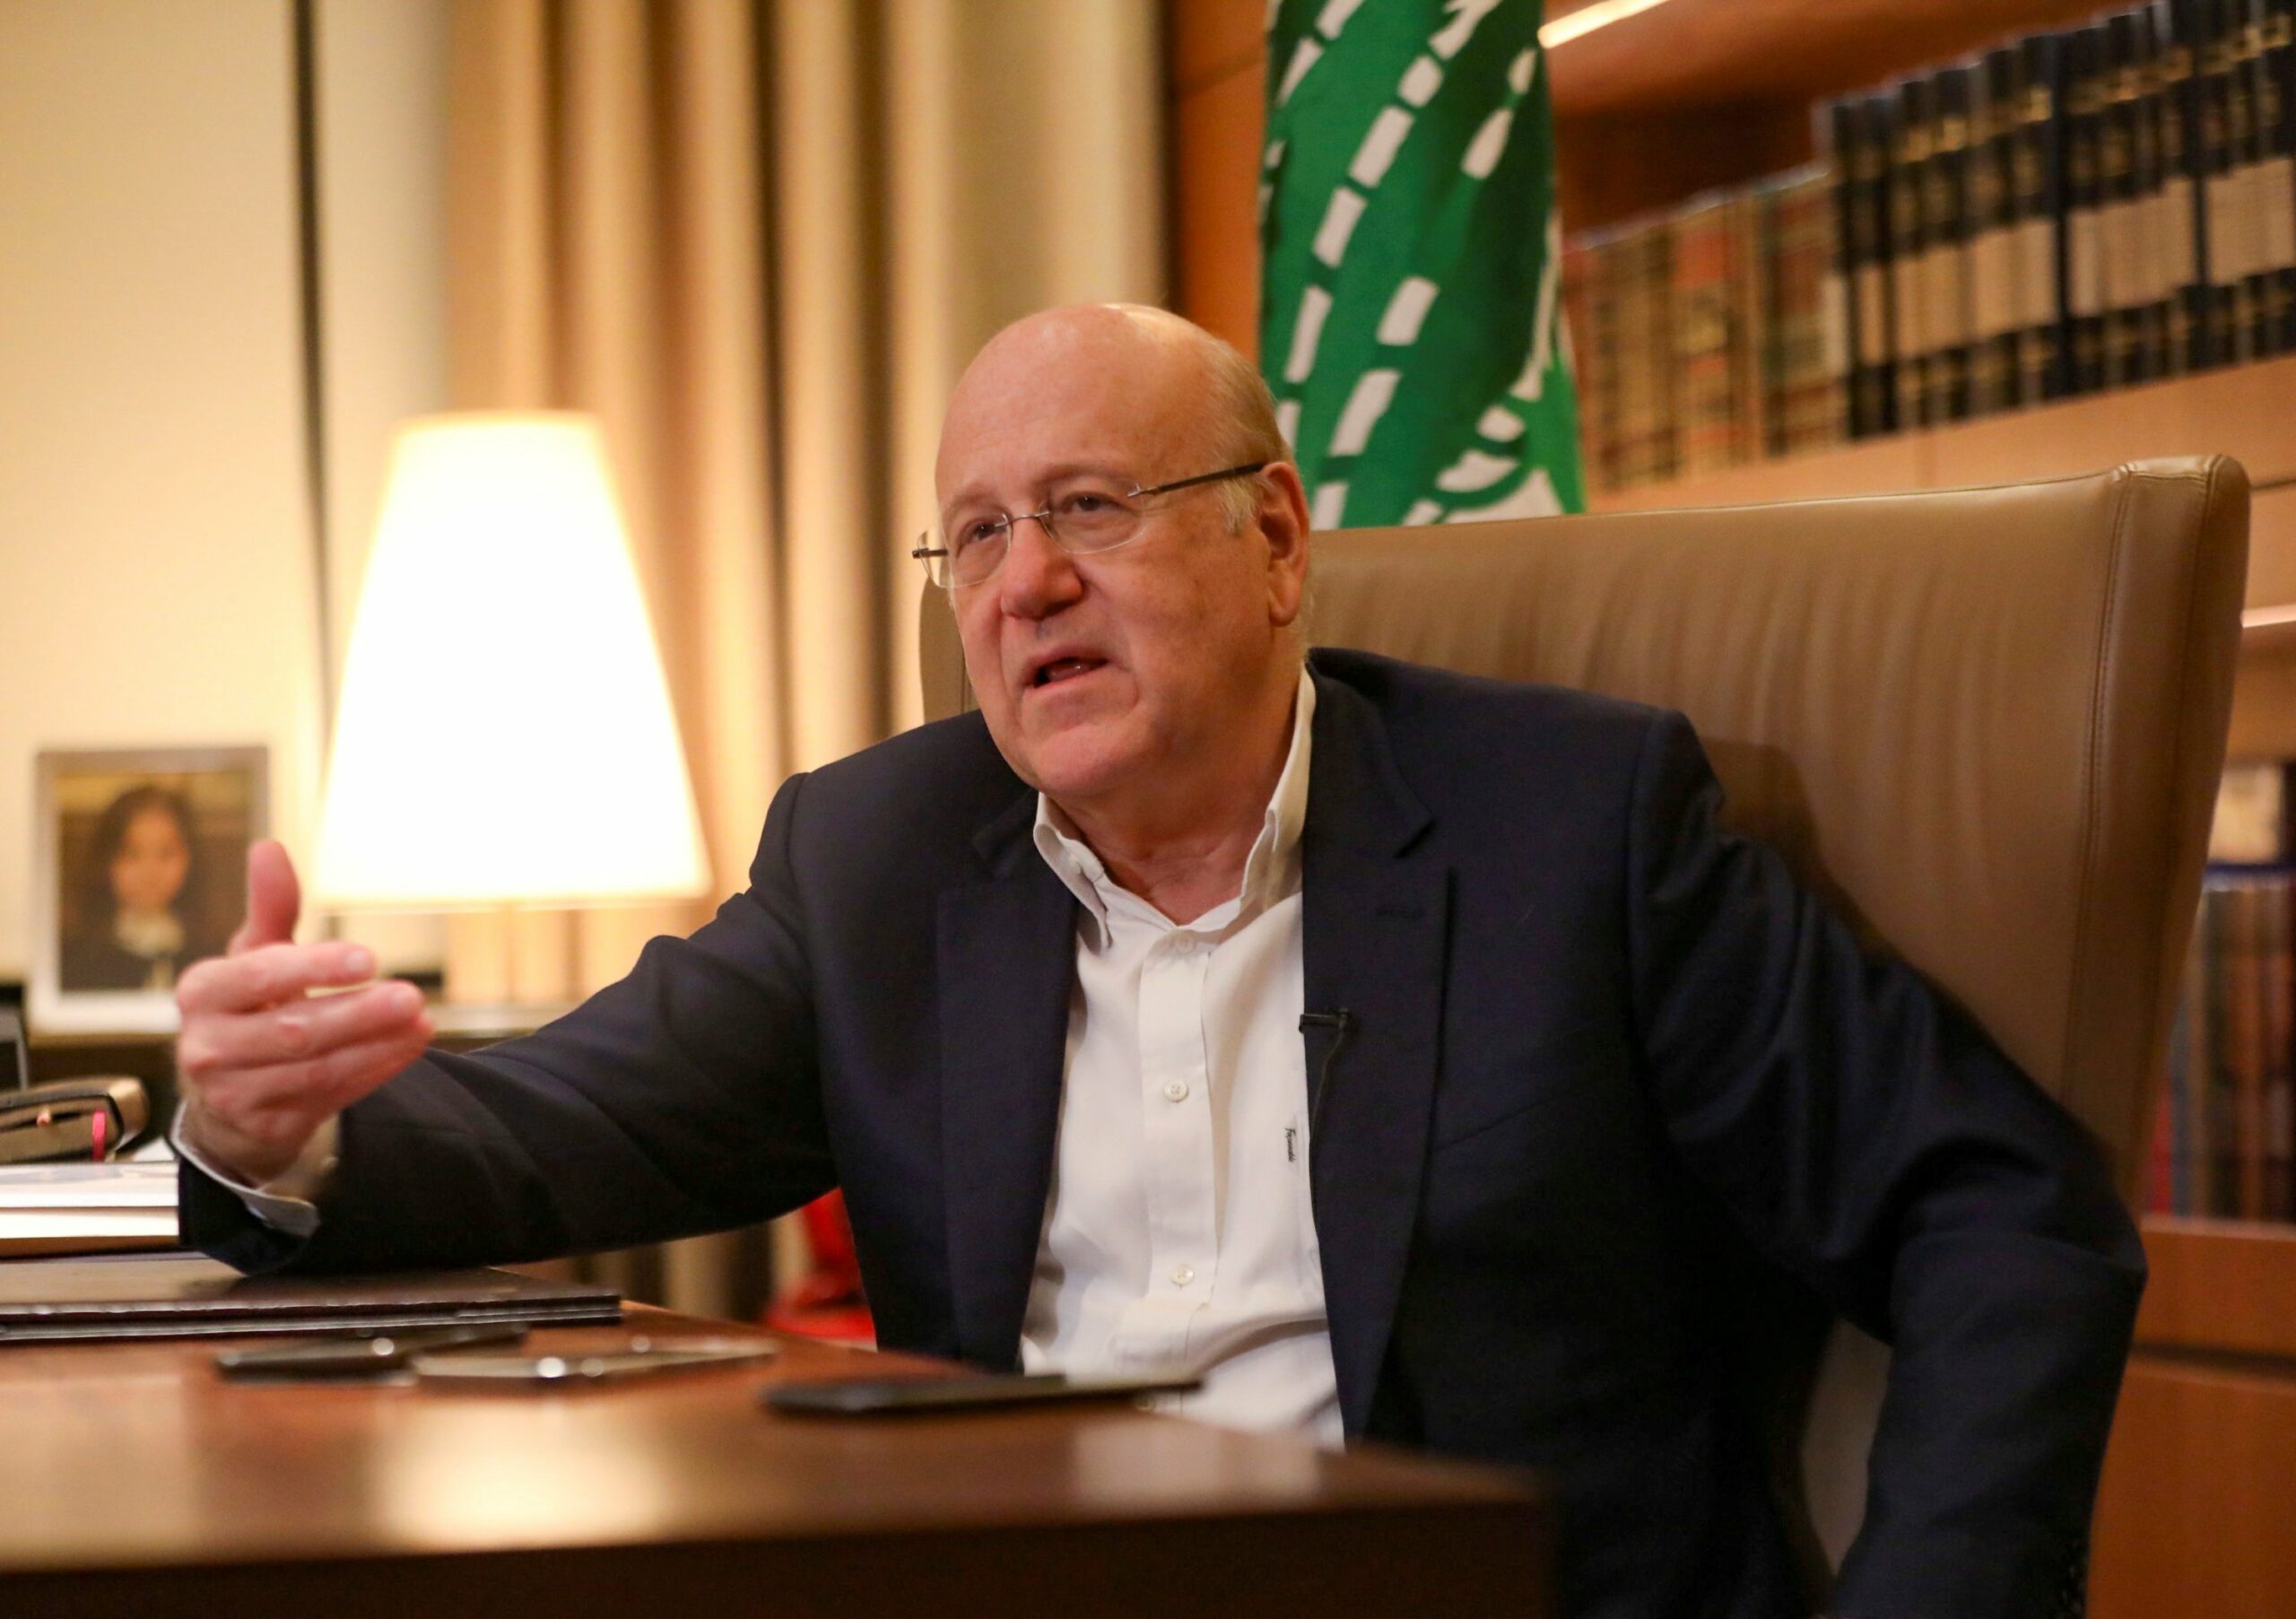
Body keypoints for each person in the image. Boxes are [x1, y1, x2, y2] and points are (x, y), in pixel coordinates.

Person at [174, 304, 2142, 1618]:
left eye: (1090, 509)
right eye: (971, 537)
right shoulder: (878, 862)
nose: (1023, 579)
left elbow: (1995, 1209)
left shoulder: (1572, 829)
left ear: (1276, 540)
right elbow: (556, 1124)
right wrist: (276, 1132)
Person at [60, 783, 224, 992]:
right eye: (132, 854)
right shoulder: (76, 960)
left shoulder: (211, 954)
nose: (150, 872)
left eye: (166, 853)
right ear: (106, 860)